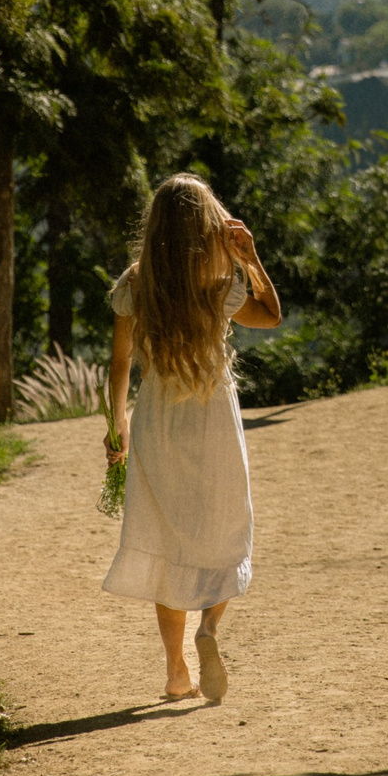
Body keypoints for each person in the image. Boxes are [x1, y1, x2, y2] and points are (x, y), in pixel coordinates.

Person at [104, 173, 282, 703]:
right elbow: (271, 316)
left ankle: (177, 670)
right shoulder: (220, 286)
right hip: (214, 419)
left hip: (159, 420)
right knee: (226, 527)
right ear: (208, 226)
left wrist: (118, 424)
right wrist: (250, 258)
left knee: (168, 539)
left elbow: (119, 364)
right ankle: (209, 630)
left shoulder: (136, 285)